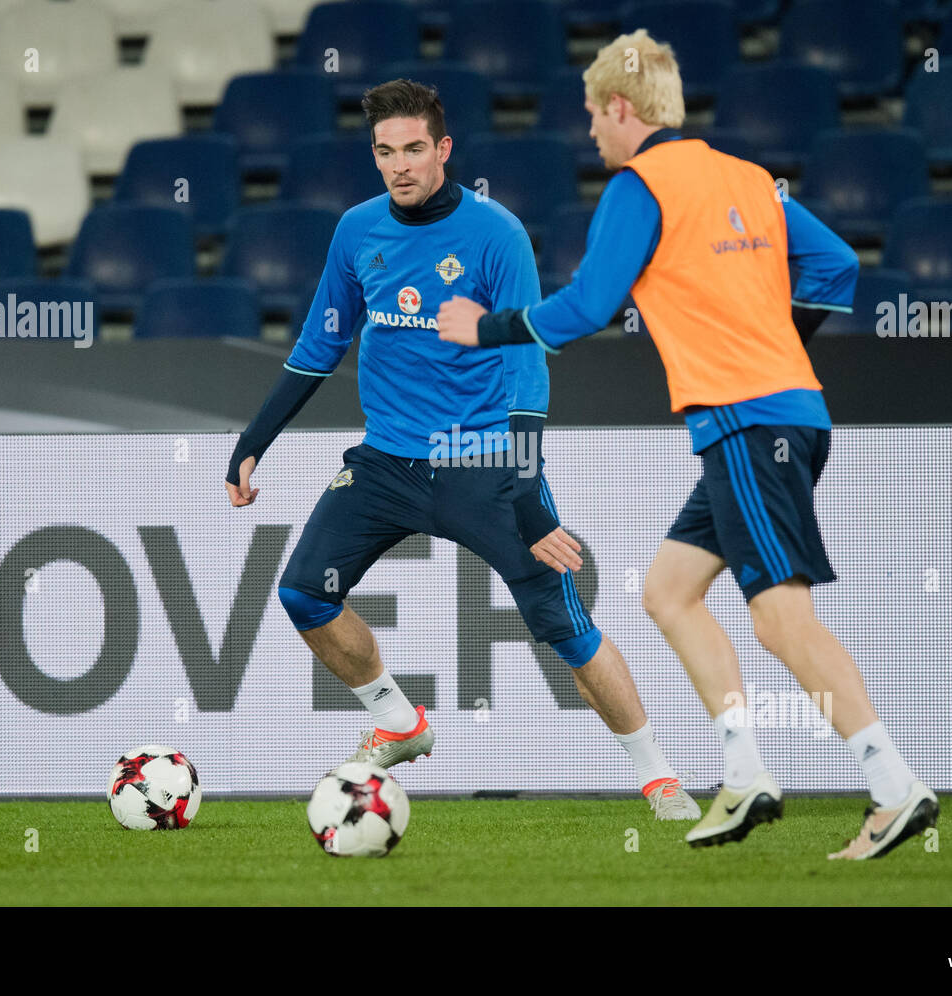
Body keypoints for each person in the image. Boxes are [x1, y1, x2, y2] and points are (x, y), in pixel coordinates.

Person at [436, 31, 939, 859]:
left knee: (782, 621)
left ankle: (892, 787)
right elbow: (838, 265)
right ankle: (744, 775)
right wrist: (778, 345)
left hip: (746, 424)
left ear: (623, 109)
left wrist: (483, 327)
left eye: (595, 116)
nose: (591, 134)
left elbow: (588, 306)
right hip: (784, 417)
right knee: (669, 592)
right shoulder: (745, 178)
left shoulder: (640, 185)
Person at [226, 79, 700, 820]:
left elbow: (527, 364)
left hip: (483, 464)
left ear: (444, 149)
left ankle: (661, 776)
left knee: (569, 632)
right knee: (302, 594)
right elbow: (321, 343)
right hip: (385, 463)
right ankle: (398, 721)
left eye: (415, 149)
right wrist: (254, 442)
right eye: (385, 152)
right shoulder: (356, 231)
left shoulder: (496, 235)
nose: (400, 166)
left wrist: (527, 490)